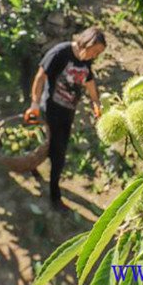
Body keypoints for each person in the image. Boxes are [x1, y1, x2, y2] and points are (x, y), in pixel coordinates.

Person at [24, 27, 106, 212]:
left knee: (54, 151)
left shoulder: (86, 61)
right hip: (49, 111)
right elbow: (40, 77)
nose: (95, 55)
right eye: (95, 50)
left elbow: (90, 83)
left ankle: (41, 174)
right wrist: (34, 104)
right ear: (87, 42)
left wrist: (96, 103)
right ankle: (54, 194)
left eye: (98, 53)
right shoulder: (60, 52)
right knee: (53, 153)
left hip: (67, 114)